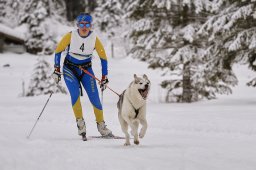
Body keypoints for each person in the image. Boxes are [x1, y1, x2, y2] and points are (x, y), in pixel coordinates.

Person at [52, 13, 113, 140]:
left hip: (86, 70)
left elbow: (103, 58)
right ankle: (81, 125)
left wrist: (104, 77)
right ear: (77, 25)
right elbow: (58, 51)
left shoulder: (94, 38)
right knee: (75, 95)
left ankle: (102, 126)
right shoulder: (70, 35)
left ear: (91, 25)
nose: (84, 27)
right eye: (81, 24)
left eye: (87, 24)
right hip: (70, 69)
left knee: (95, 97)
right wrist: (57, 70)